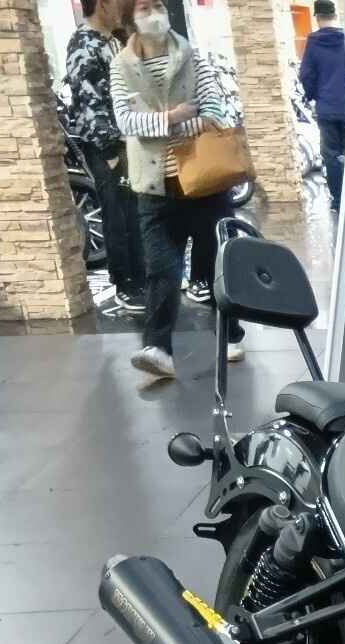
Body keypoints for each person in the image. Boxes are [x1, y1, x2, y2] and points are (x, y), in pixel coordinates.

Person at [110, 0, 244, 380]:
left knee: (217, 263)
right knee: (160, 270)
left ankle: (231, 334)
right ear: (130, 17)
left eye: (157, 5)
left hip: (204, 180)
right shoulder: (121, 66)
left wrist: (162, 124)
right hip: (155, 187)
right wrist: (175, 116)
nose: (154, 13)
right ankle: (158, 348)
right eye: (144, 7)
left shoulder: (192, 56)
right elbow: (126, 121)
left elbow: (214, 112)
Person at [62, 0, 145, 312]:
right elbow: (88, 102)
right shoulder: (84, 43)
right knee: (118, 215)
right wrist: (109, 150)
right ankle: (126, 284)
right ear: (101, 4)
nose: (123, 7)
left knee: (135, 212)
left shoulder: (111, 40)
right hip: (107, 146)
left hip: (127, 141)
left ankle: (142, 276)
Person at [298, 0, 345, 213]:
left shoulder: (313, 42)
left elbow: (306, 75)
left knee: (331, 156)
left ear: (317, 18)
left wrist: (313, 96)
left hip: (327, 109)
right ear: (335, 15)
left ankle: (338, 201)